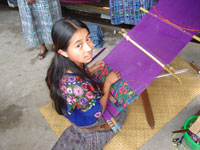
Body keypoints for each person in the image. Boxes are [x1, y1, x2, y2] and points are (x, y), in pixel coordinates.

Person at [46, 18, 128, 150]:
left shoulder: (60, 65)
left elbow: (78, 75)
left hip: (75, 108)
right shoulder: (77, 87)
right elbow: (98, 112)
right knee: (122, 111)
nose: (89, 47)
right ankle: (95, 130)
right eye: (79, 45)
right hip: (87, 120)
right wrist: (108, 82)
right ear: (63, 52)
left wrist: (90, 69)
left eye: (88, 38)